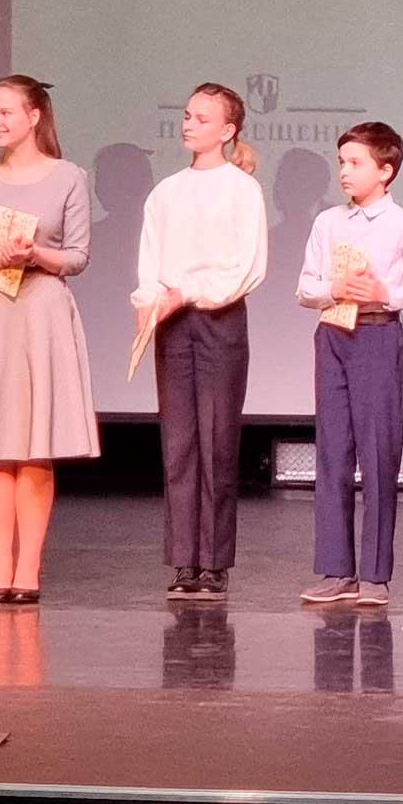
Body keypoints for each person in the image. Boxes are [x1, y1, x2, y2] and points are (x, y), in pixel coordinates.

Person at [0, 76, 99, 603]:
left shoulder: (69, 177)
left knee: (33, 445)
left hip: (40, 311)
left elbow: (77, 256)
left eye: (6, 112)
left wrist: (34, 255)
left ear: (34, 116)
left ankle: (28, 568)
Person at [296, 122, 403, 610]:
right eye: (342, 162)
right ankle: (336, 569)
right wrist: (332, 289)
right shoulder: (327, 222)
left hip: (377, 335)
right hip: (333, 333)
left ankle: (375, 575)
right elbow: (305, 287)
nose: (344, 172)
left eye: (355, 163)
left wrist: (385, 293)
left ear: (385, 170)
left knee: (378, 453)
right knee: (333, 452)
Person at [135, 82, 267, 601]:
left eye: (202, 118)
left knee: (217, 441)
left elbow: (246, 267)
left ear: (228, 130)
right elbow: (150, 259)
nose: (189, 124)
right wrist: (149, 300)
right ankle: (184, 560)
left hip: (219, 318)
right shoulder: (166, 191)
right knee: (179, 443)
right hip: (172, 321)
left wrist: (187, 291)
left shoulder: (242, 189)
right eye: (187, 115)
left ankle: (214, 562)